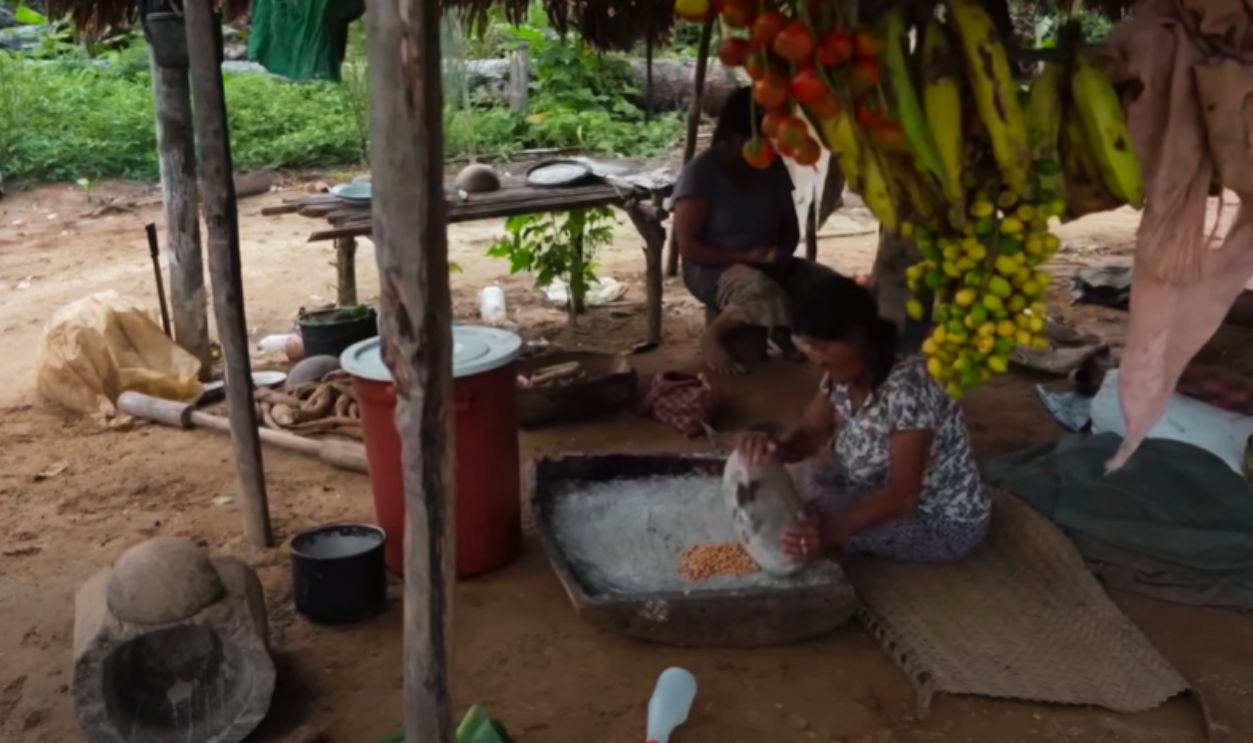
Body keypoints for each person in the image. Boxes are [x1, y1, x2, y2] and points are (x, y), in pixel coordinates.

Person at [738, 272, 991, 564]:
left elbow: (903, 494)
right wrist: (774, 447)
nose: (817, 358)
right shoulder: (841, 376)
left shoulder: (908, 389)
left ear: (858, 336)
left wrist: (832, 530)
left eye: (822, 346)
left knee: (801, 524)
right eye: (810, 347)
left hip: (937, 521)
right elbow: (811, 433)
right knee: (793, 484)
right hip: (871, 486)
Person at [672, 86, 842, 376]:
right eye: (752, 141)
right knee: (761, 292)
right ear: (728, 138)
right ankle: (714, 336)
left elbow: (790, 225)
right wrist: (748, 256)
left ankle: (781, 328)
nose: (762, 148)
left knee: (832, 288)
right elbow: (688, 247)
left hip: (766, 261)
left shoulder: (770, 164)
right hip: (712, 268)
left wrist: (782, 256)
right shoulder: (701, 173)